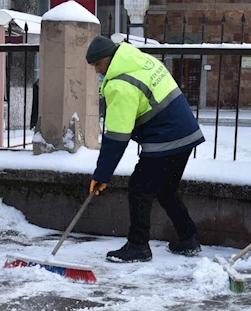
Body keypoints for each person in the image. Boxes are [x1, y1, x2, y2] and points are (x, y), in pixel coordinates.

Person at [86, 35, 205, 263]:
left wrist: (102, 175)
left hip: (166, 137)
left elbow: (116, 138)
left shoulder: (120, 84)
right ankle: (188, 238)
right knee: (166, 189)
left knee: (139, 188)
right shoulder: (140, 59)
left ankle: (138, 246)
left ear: (109, 58)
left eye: (98, 65)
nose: (97, 71)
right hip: (185, 131)